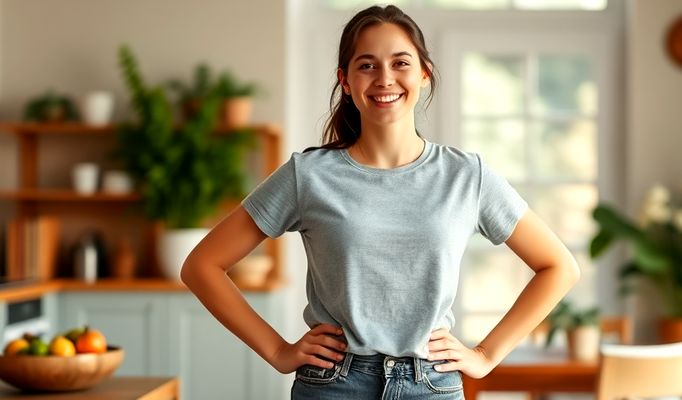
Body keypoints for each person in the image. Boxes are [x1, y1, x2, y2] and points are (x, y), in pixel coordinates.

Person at [181, 4, 580, 399]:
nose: (385, 78)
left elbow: (559, 266)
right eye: (367, 65)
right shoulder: (309, 175)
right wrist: (278, 351)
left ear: (424, 73)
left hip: (432, 385)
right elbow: (201, 266)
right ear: (346, 79)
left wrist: (486, 354)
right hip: (333, 385)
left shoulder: (467, 176)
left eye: (401, 63)